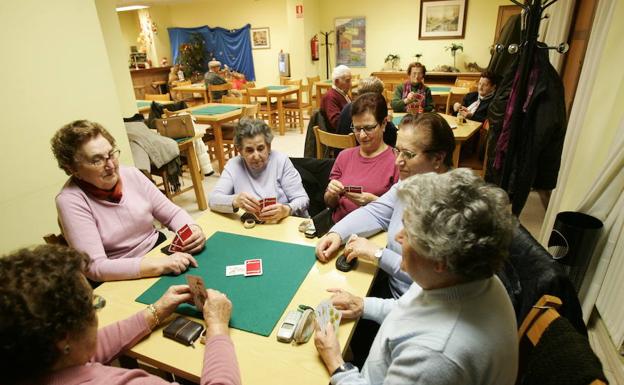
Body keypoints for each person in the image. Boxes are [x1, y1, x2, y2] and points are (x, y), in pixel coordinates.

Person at [314, 168, 519, 385]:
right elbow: (414, 307)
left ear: (439, 259)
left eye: (409, 233)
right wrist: (363, 305)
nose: (398, 236)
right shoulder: (460, 275)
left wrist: (338, 365)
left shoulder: (436, 356)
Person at [0, 244, 241, 385]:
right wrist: (218, 327)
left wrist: (155, 311)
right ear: (64, 338)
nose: (95, 312)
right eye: (92, 304)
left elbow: (87, 350)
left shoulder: (32, 359)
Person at [317, 113, 454, 298]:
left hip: (412, 306)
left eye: (409, 154)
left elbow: (427, 278)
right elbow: (376, 213)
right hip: (392, 287)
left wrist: (377, 254)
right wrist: (336, 233)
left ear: (438, 159)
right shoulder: (410, 181)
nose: (398, 161)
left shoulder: (453, 211)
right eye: (398, 151)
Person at [52, 120, 205, 282]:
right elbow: (95, 267)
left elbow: (173, 214)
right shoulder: (69, 200)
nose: (110, 165)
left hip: (157, 252)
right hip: (119, 274)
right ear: (72, 169)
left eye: (111, 154)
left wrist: (193, 230)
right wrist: (158, 265)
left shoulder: (131, 174)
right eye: (97, 160)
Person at [209, 118, 309, 221]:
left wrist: (287, 209)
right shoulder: (233, 165)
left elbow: (302, 199)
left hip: (282, 224)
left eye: (261, 149)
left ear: (269, 147)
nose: (256, 156)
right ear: (240, 151)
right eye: (249, 150)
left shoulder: (281, 161)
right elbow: (213, 200)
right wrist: (235, 200)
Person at [325, 93, 399, 223]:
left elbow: (401, 213)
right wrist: (331, 194)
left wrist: (373, 202)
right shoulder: (344, 156)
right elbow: (330, 204)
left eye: (369, 128)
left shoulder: (397, 161)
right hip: (337, 226)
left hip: (374, 231)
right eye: (357, 128)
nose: (362, 135)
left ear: (383, 124)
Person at [336, 76, 398, 147]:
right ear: (376, 96)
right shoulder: (374, 110)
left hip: (340, 151)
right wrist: (388, 121)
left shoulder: (347, 107)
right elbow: (393, 136)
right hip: (365, 153)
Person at [321, 64, 352, 131]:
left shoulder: (343, 93)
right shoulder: (330, 97)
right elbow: (337, 122)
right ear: (337, 81)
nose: (351, 84)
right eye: (347, 81)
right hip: (338, 136)